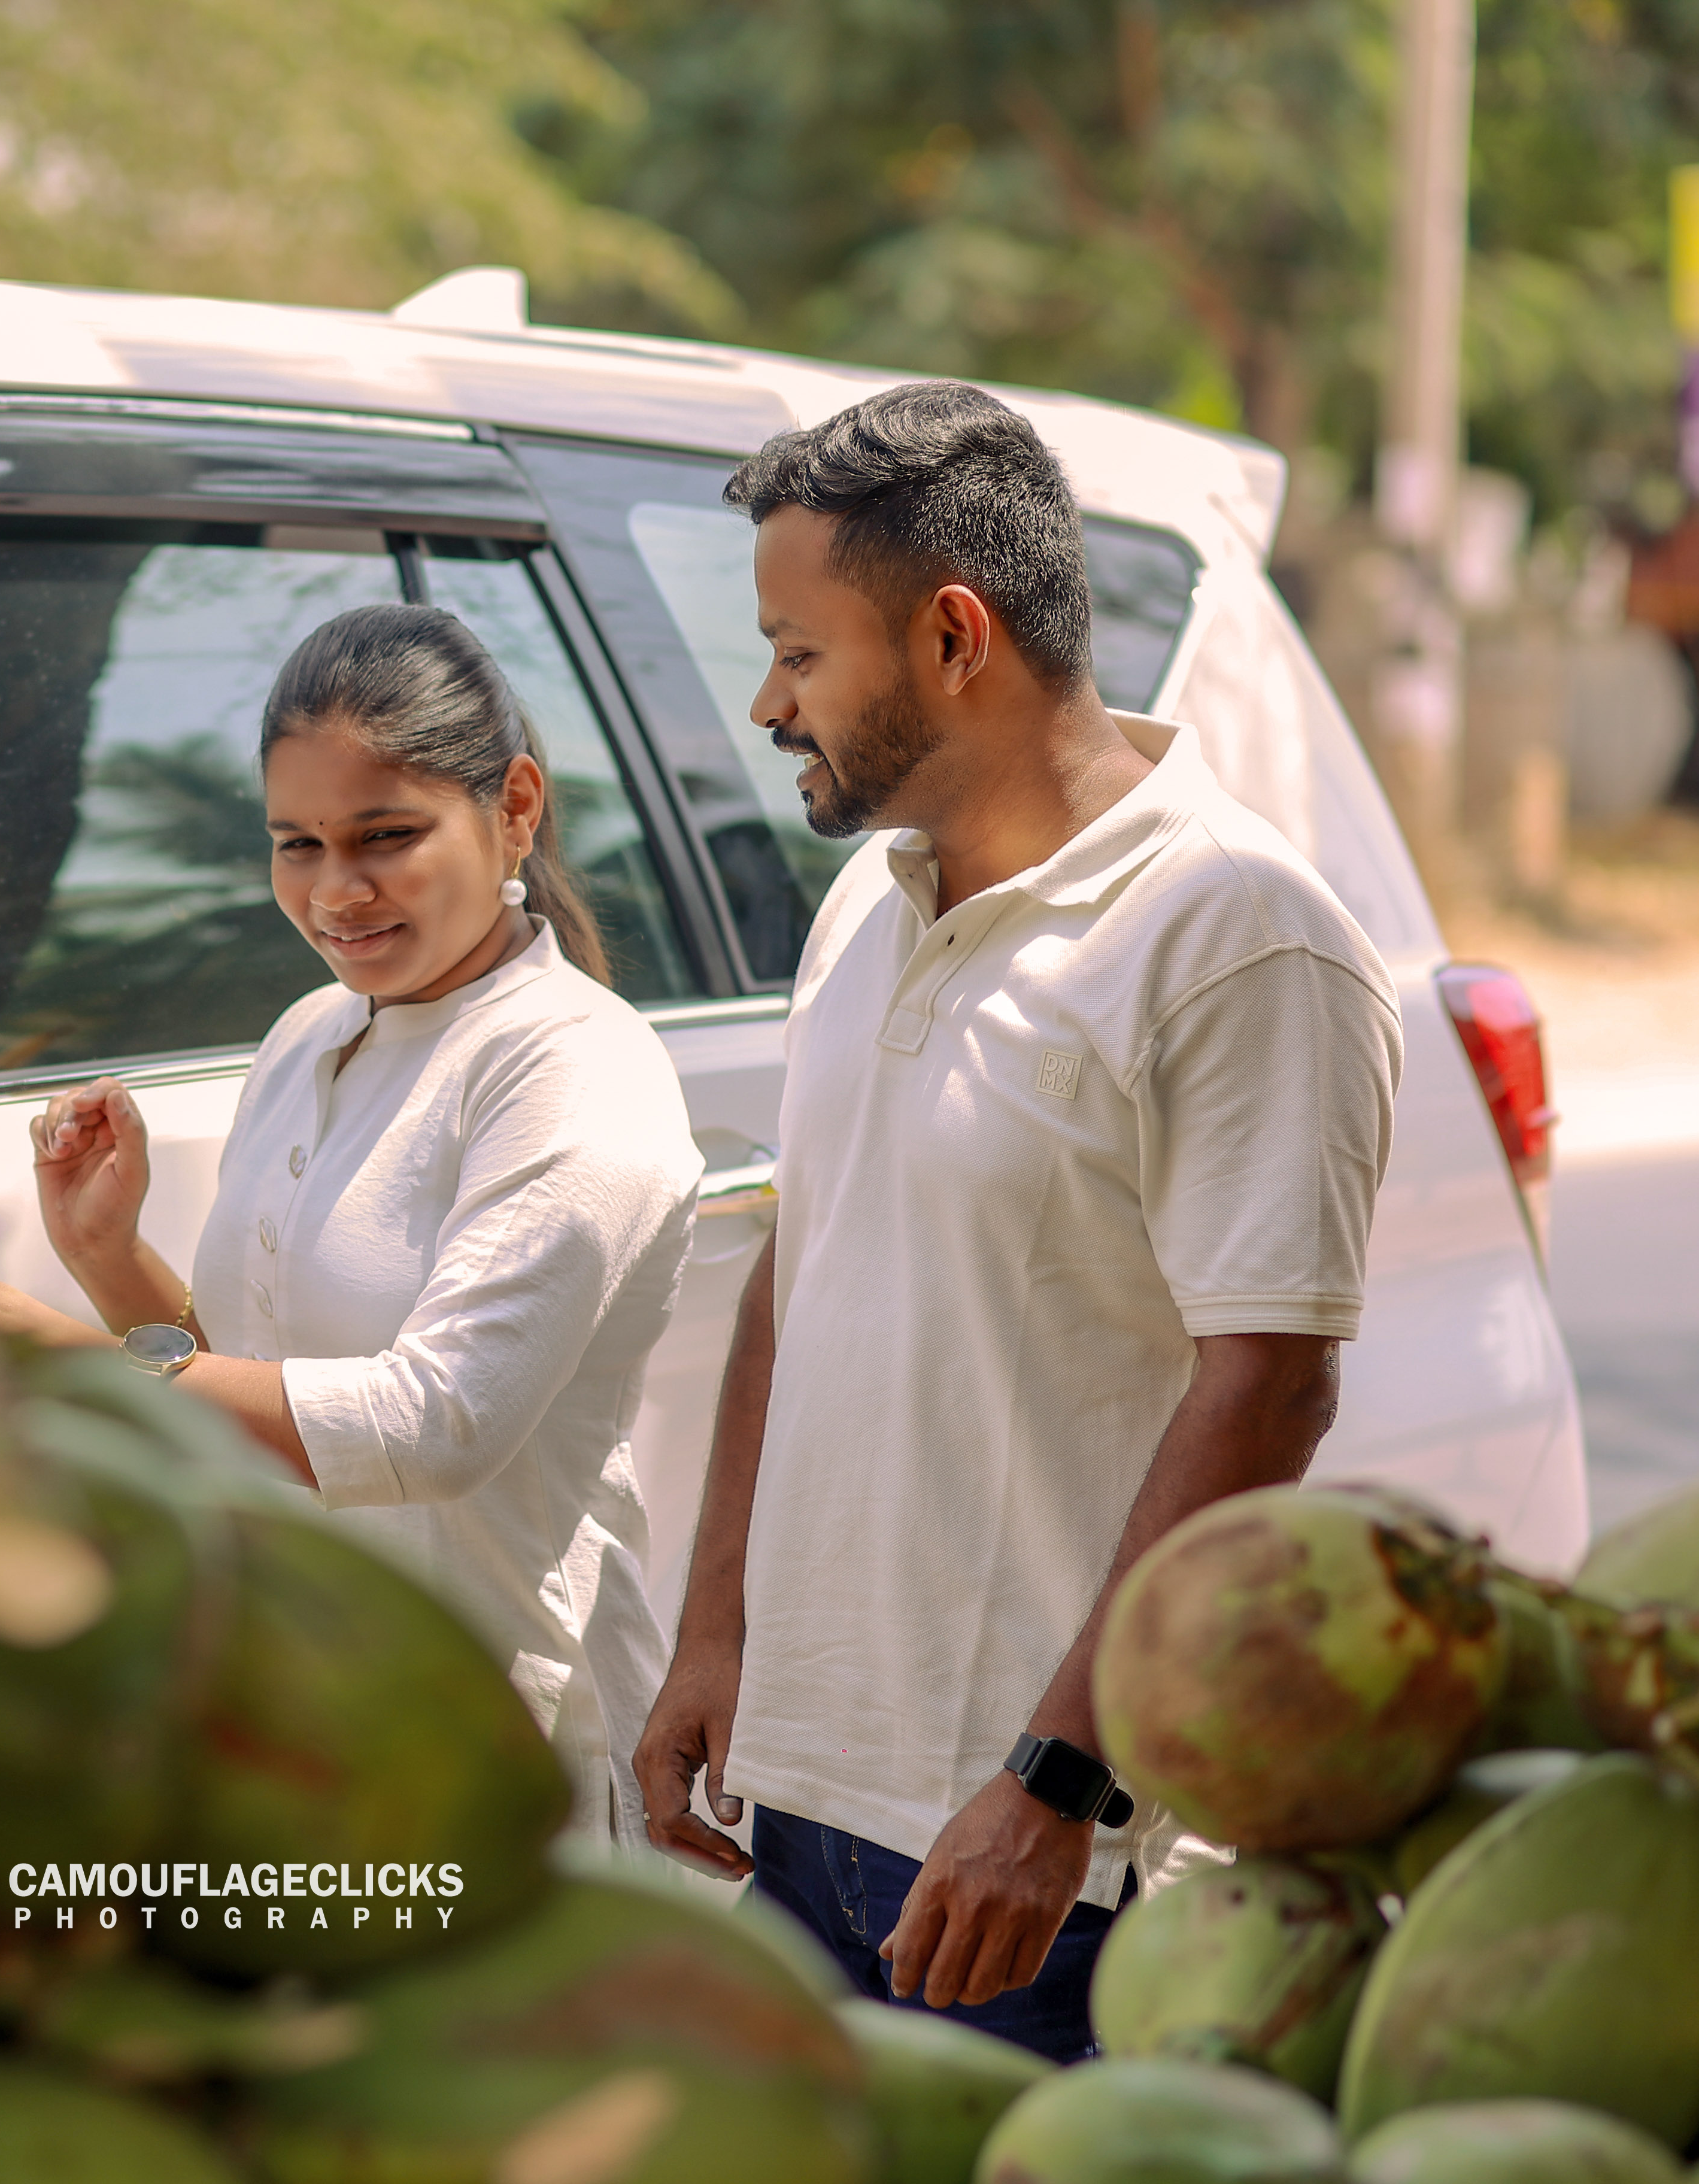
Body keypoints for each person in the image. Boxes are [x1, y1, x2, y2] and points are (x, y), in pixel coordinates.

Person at [630, 383, 1403, 2058]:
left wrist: (1057, 1786)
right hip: (812, 1803)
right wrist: (714, 1633)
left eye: (801, 652)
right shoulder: (873, 894)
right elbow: (799, 1257)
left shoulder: (1235, 936)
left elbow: (1268, 1385)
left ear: (956, 636)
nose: (768, 701)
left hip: (1040, 1865)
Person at [0, 605, 704, 1840]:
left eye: (386, 838)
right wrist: (109, 1260)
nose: (335, 892)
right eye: (296, 844)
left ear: (515, 805)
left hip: (500, 1762)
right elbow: (252, 1403)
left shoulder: (574, 1065)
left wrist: (48, 1354)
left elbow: (431, 1427)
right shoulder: (312, 1032)